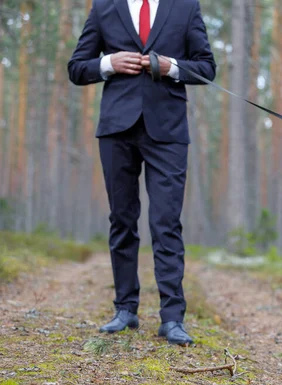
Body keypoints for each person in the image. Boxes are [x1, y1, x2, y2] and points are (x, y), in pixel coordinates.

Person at [68, 0, 216, 345]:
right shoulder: (104, 7)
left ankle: (172, 318)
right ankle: (125, 310)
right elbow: (76, 68)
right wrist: (109, 63)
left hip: (168, 133)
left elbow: (207, 68)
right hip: (117, 130)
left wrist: (171, 67)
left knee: (166, 223)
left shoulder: (186, 7)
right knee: (122, 219)